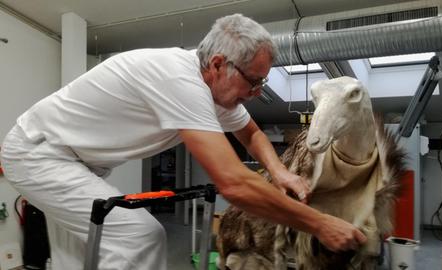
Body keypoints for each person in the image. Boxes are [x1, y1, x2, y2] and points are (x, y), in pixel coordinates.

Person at [0, 13, 366, 270]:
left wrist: (279, 172)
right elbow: (235, 184)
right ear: (219, 64)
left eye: (262, 84)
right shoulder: (179, 79)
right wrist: (319, 224)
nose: (256, 93)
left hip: (76, 161)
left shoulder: (218, 93)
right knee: (139, 236)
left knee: (82, 254)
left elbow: (251, 133)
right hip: (38, 153)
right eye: (253, 82)